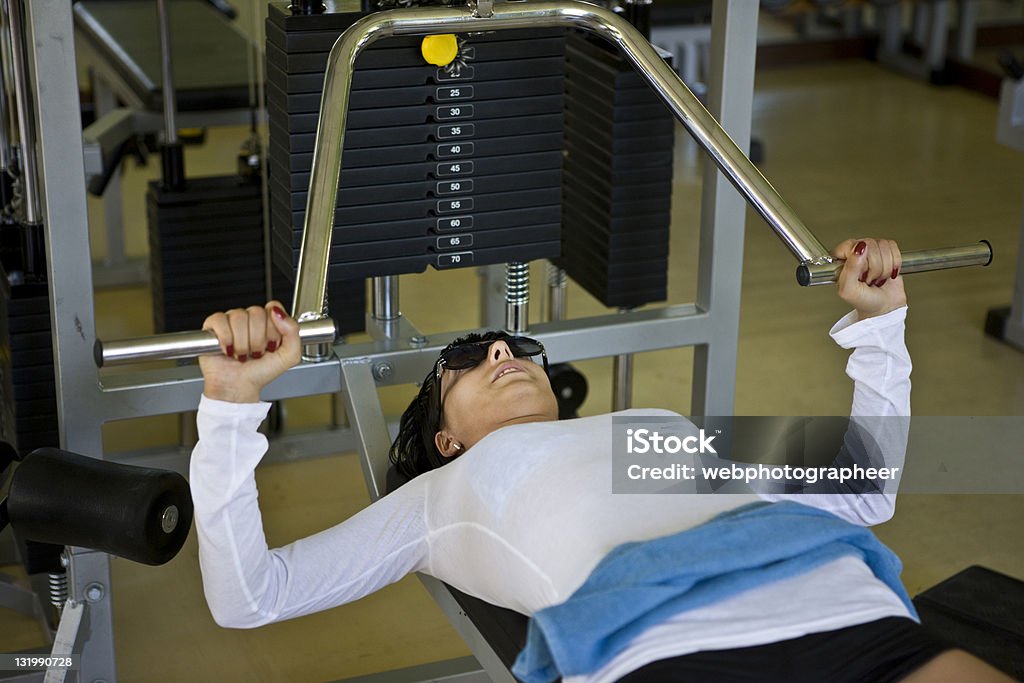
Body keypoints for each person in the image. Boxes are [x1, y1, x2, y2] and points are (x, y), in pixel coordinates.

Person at [190, 239, 1014, 683]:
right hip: (671, 654)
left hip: (846, 607)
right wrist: (230, 407)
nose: (503, 347)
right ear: (447, 437)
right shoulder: (442, 495)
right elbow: (251, 596)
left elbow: (861, 486)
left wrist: (879, 325)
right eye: (470, 358)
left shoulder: (648, 428)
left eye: (512, 346)